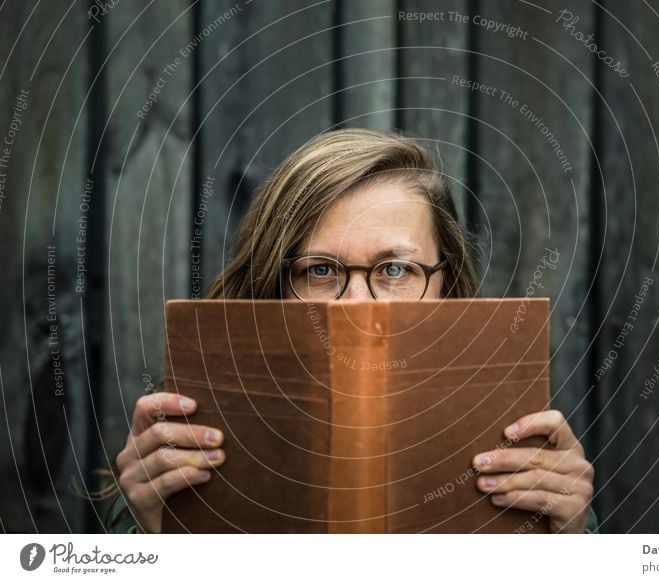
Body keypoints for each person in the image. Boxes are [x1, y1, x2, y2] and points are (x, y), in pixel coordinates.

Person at [107, 128, 597, 533]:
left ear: (445, 282)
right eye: (320, 271)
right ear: (271, 288)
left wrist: (574, 543)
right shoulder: (177, 457)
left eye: (395, 269)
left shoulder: (530, 459)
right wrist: (146, 538)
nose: (358, 305)